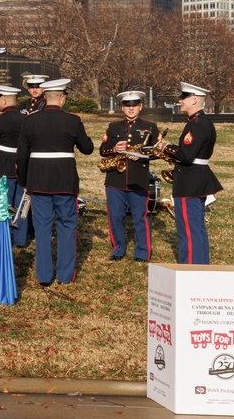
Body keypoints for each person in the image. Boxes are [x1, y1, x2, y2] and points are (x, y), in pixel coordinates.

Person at [16, 79, 94, 286]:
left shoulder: (30, 120)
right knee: (67, 226)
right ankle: (65, 275)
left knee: (42, 228)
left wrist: (25, 182)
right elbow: (87, 148)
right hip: (65, 181)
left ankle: (43, 276)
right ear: (61, 97)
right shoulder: (73, 120)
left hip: (38, 180)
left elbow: (21, 156)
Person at [154, 82, 223, 264]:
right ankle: (201, 267)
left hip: (190, 181)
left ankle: (191, 269)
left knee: (188, 230)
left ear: (194, 100)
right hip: (197, 178)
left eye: (183, 98)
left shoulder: (196, 125)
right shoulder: (203, 122)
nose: (180, 101)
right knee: (197, 228)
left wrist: (165, 146)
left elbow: (185, 155)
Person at [100, 91, 160, 262]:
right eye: (127, 105)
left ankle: (142, 252)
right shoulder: (113, 126)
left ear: (140, 106)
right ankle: (118, 249)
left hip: (138, 178)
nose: (131, 108)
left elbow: (158, 151)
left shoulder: (150, 126)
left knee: (140, 217)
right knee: (115, 216)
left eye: (134, 105)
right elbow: (103, 150)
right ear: (122, 107)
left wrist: (142, 154)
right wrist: (114, 149)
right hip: (115, 179)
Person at [0, 85, 28, 247]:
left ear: (3, 101)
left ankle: (5, 237)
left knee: (3, 203)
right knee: (21, 203)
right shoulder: (25, 118)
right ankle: (21, 239)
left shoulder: (0, 120)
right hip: (22, 164)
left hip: (4, 164)